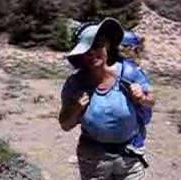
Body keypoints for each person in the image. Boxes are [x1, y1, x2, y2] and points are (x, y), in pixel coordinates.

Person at [58, 17, 155, 180]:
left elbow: (151, 100)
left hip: (130, 154)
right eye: (85, 50)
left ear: (108, 45)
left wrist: (142, 97)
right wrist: (75, 108)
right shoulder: (76, 84)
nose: (91, 53)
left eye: (97, 45)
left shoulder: (128, 73)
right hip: (94, 159)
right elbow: (65, 124)